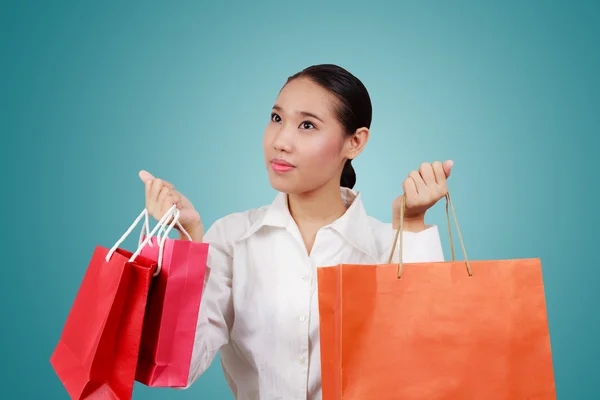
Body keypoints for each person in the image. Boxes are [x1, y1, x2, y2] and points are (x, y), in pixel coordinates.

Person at [139, 64, 453, 400]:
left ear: (355, 142)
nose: (280, 141)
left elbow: (428, 365)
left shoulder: (388, 246)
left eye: (307, 125)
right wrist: (187, 248)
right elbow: (178, 367)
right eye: (276, 119)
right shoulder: (232, 238)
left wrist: (412, 224)